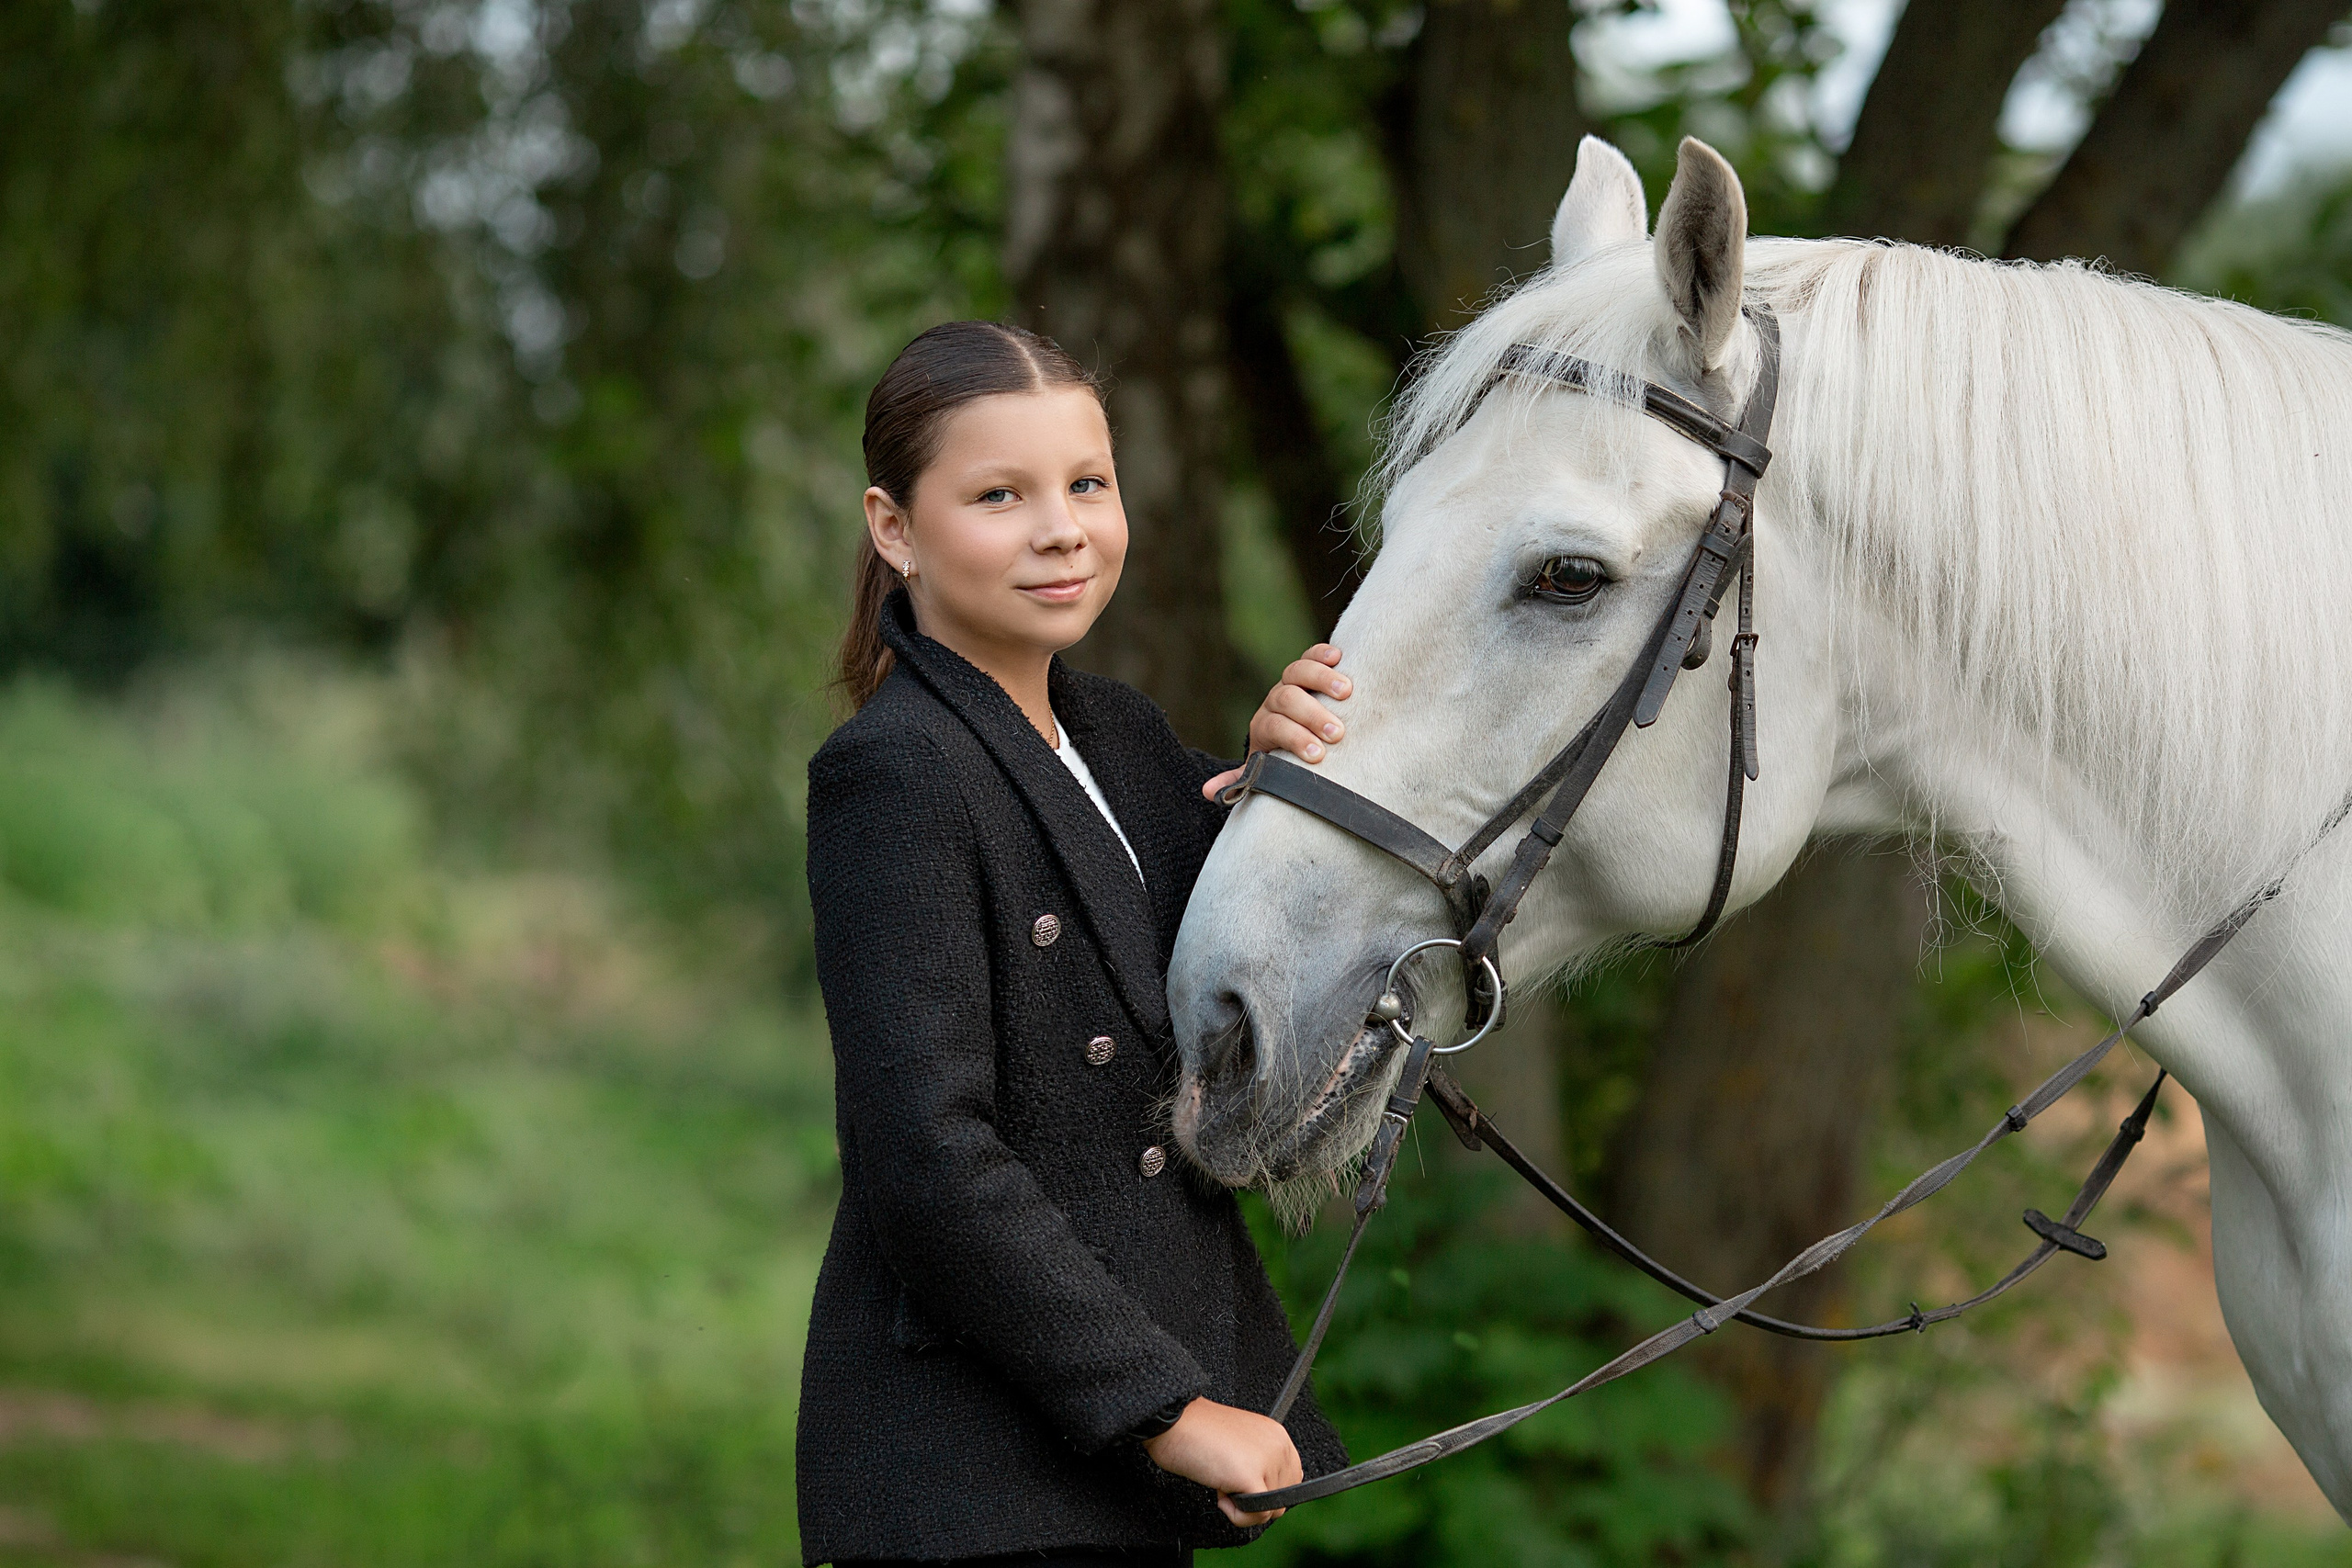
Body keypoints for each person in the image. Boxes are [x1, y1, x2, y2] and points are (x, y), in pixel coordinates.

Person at [797, 320, 1353, 1567]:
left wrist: (1277, 773)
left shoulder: (1122, 738)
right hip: (973, 1486)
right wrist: (1163, 1408)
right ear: (895, 528)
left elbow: (1236, 925)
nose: (1061, 530)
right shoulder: (894, 775)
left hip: (1091, 1479)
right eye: (1000, 495)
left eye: (1087, 485)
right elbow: (928, 1157)